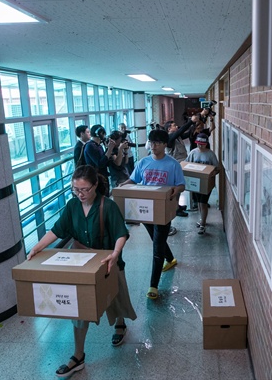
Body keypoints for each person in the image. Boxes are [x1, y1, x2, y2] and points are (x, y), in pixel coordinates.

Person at [27, 165, 136, 377]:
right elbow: (56, 230)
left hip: (107, 260)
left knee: (115, 297)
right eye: (75, 189)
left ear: (95, 185)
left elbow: (121, 233)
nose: (80, 194)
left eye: (84, 189)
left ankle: (120, 324)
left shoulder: (108, 206)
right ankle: (78, 355)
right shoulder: (72, 206)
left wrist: (115, 253)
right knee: (79, 307)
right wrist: (37, 247)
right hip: (80, 261)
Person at [120, 129, 185, 299]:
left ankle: (153, 286)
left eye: (157, 143)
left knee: (157, 246)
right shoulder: (143, 162)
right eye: (151, 142)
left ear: (164, 144)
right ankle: (170, 259)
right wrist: (122, 187)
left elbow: (181, 185)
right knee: (157, 239)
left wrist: (174, 191)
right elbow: (134, 180)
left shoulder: (173, 164)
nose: (153, 146)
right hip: (146, 210)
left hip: (163, 210)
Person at [184, 133, 220, 234]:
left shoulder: (210, 154)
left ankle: (203, 224)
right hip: (195, 183)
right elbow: (186, 165)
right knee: (199, 203)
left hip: (206, 184)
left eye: (202, 144)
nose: (200, 146)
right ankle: (201, 219)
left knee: (203, 203)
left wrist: (212, 174)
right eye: (198, 144)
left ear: (206, 144)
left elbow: (217, 168)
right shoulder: (193, 153)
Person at [165, 114, 199, 217]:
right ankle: (176, 209)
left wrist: (196, 124)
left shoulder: (177, 137)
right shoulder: (169, 138)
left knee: (179, 188)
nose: (177, 127)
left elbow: (188, 133)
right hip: (175, 167)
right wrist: (190, 121)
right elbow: (181, 131)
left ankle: (178, 206)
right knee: (176, 189)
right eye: (174, 125)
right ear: (169, 128)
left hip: (181, 165)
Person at [84, 124, 115, 195]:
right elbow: (100, 163)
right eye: (103, 134)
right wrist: (109, 149)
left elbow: (105, 160)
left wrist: (109, 149)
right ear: (99, 134)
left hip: (103, 176)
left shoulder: (98, 146)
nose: (104, 136)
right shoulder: (90, 146)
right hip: (96, 179)